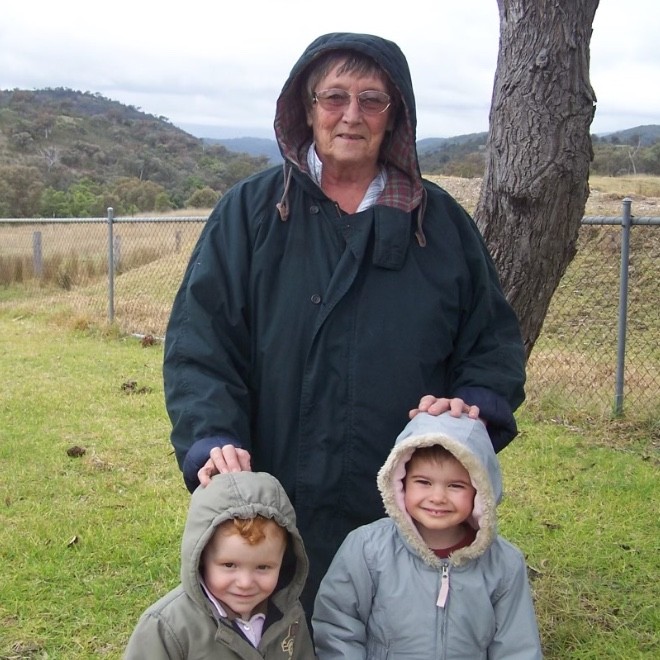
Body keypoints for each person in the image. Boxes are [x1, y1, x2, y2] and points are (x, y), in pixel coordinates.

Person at [163, 31, 526, 614]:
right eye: (334, 97)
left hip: (400, 501)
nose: (351, 115)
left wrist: (469, 407)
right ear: (307, 110)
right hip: (275, 489)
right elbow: (200, 345)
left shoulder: (439, 226)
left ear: (395, 115)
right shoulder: (250, 214)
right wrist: (213, 438)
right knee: (281, 624)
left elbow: (491, 345)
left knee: (392, 628)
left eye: (372, 99)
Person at [312, 412, 543, 659]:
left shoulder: (504, 564)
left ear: (480, 491)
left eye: (455, 485)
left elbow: (517, 647)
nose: (438, 497)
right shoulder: (366, 549)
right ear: (401, 482)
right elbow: (338, 627)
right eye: (423, 482)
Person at [124, 472, 315, 659]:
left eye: (263, 567)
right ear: (201, 557)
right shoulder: (167, 627)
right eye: (229, 565)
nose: (245, 583)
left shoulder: (289, 613)